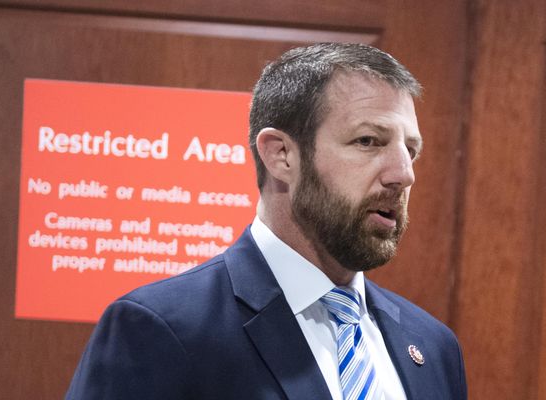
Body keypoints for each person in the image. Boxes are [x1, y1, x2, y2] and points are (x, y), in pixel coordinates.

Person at [67, 43, 466, 400]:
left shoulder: (432, 346)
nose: (403, 174)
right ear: (281, 155)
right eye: (368, 141)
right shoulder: (161, 329)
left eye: (410, 150)